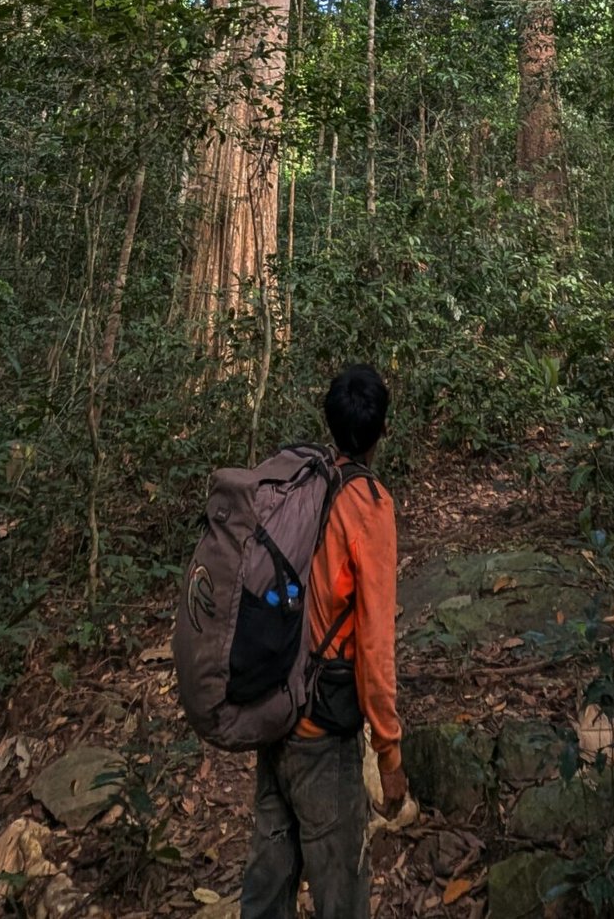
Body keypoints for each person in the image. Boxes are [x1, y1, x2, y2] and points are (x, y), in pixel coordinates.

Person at [240, 364, 407, 919]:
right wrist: (389, 752)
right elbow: (376, 645)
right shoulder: (369, 506)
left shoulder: (300, 483)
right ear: (381, 431)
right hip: (322, 733)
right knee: (342, 893)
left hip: (274, 708)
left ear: (330, 423)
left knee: (268, 886)